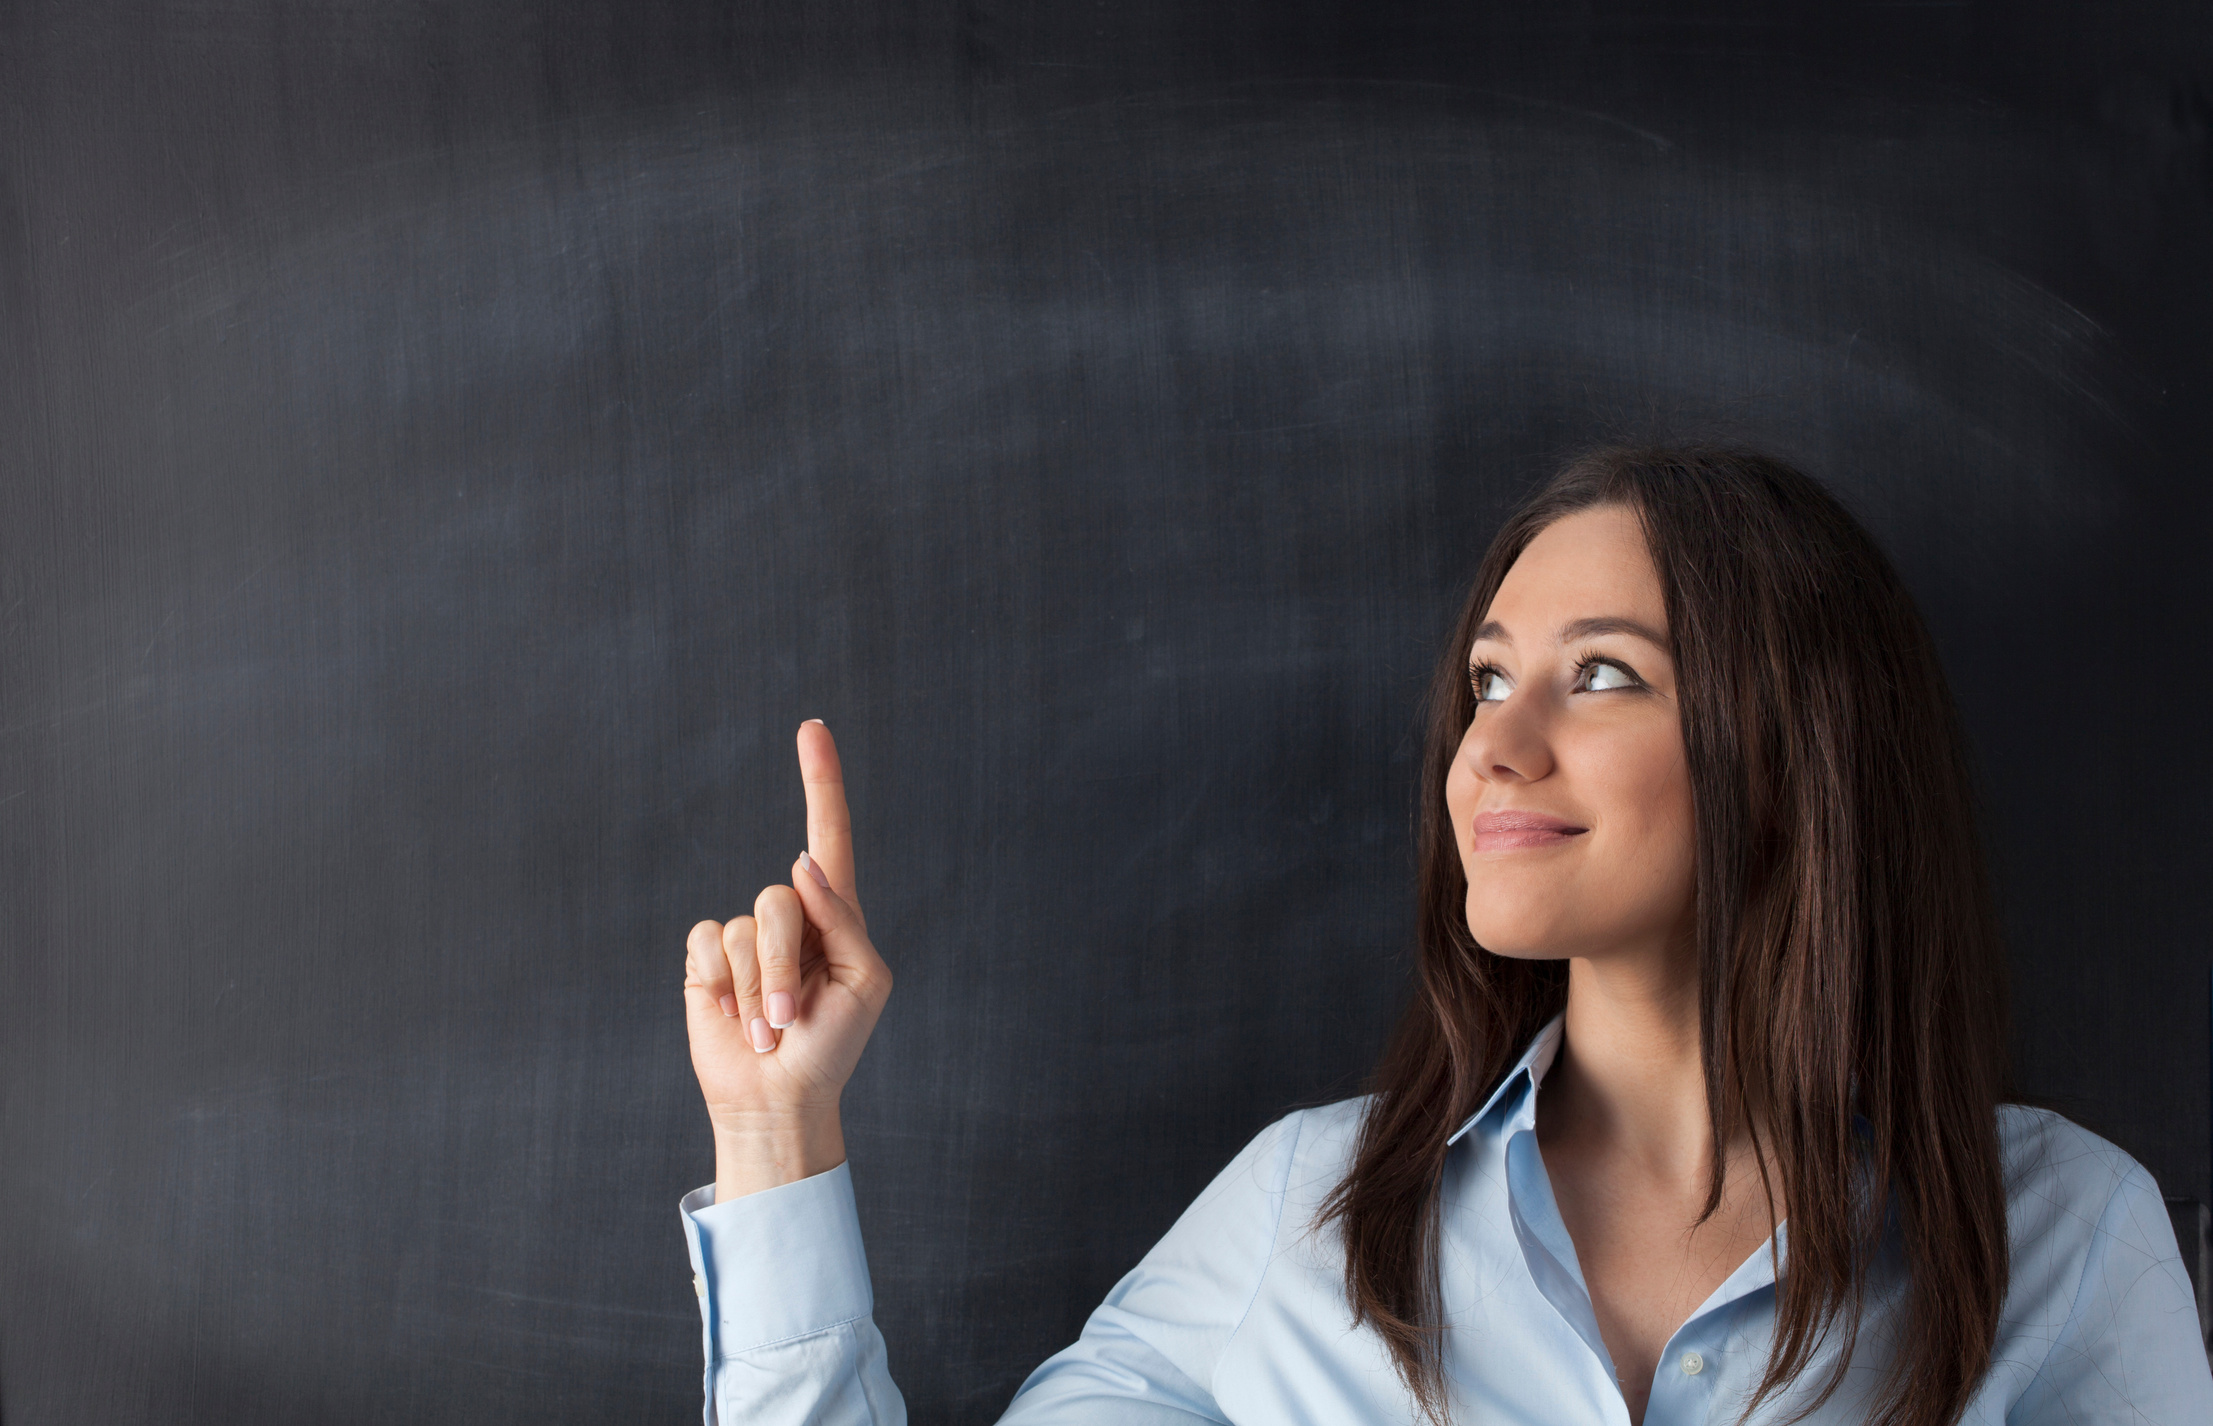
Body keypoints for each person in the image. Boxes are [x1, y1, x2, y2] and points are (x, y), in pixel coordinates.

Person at [674, 447, 2213, 1425]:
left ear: (1793, 747)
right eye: (1487, 679)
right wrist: (774, 1128)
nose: (1492, 747)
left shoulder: (2062, 1236)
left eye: (1598, 676)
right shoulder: (1306, 1211)